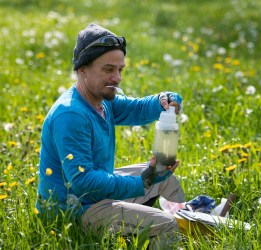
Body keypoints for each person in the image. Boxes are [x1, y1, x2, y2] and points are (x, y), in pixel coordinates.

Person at [36, 23, 186, 248]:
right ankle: (166, 232)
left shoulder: (104, 100)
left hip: (95, 197)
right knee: (166, 224)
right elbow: (83, 183)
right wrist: (142, 181)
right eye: (108, 69)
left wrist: (165, 99)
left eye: (120, 69)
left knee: (166, 179)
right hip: (73, 212)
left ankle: (190, 225)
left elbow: (137, 108)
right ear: (82, 70)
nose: (117, 78)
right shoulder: (70, 114)